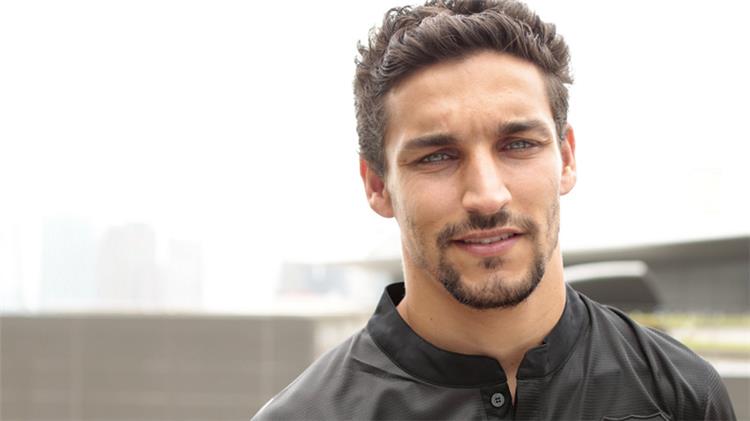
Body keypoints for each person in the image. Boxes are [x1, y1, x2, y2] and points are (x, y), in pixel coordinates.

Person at [253, 0, 736, 419]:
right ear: (378, 185)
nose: (487, 196)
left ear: (567, 159)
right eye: (437, 156)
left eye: (518, 144)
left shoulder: (681, 394)